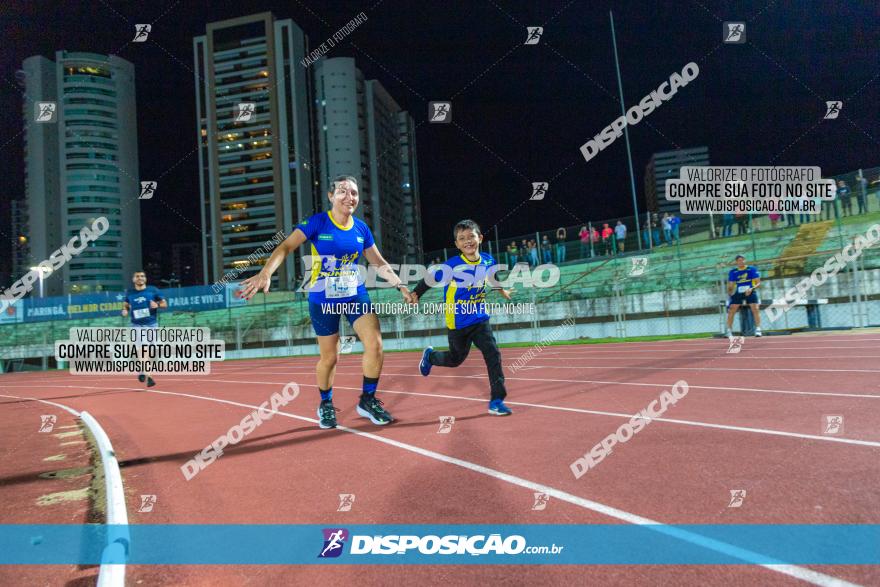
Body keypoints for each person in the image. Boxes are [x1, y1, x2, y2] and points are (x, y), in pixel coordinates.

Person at [239, 175, 411, 429]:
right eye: (342, 191)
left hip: (355, 294)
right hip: (323, 297)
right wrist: (266, 272)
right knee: (330, 358)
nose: (348, 197)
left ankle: (368, 399)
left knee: (375, 345)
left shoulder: (361, 228)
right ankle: (326, 403)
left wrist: (400, 285)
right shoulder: (317, 222)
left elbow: (378, 262)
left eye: (353, 192)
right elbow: (285, 247)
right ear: (331, 196)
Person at [412, 219, 513, 416]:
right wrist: (416, 294)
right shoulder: (452, 265)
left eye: (471, 236)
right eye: (462, 239)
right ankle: (431, 357)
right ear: (457, 244)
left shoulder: (488, 260)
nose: (468, 241)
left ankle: (497, 400)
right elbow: (430, 279)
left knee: (493, 354)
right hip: (457, 321)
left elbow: (492, 277)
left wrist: (502, 292)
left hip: (479, 318)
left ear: (480, 238)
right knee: (455, 359)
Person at [121, 271, 167, 388]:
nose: (140, 278)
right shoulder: (130, 292)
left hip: (152, 324)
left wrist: (157, 305)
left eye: (142, 276)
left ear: (145, 279)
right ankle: (150, 377)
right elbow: (125, 304)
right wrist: (125, 310)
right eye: (137, 276)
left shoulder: (153, 290)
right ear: (133, 279)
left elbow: (164, 304)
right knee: (143, 350)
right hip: (137, 325)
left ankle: (142, 370)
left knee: (151, 351)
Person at [725, 255, 762, 338]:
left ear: (745, 260)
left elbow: (758, 283)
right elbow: (730, 285)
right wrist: (730, 292)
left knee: (755, 308)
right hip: (739, 292)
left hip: (750, 290)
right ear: (736, 262)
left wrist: (751, 289)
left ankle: (758, 329)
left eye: (742, 260)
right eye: (738, 260)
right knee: (732, 309)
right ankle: (729, 331)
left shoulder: (751, 269)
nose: (740, 262)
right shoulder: (733, 272)